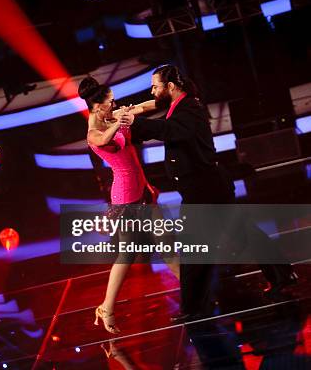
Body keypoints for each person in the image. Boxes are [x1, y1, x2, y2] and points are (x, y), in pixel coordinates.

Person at [120, 64, 297, 322]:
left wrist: (136, 121)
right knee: (241, 233)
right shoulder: (176, 108)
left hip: (205, 189)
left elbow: (170, 131)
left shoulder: (189, 107)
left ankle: (192, 307)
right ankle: (282, 273)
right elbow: (157, 121)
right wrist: (130, 118)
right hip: (204, 188)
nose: (153, 91)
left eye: (156, 86)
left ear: (171, 86)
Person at [78, 76, 179, 334]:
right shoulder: (94, 131)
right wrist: (119, 122)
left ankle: (192, 292)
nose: (114, 105)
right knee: (127, 253)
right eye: (110, 102)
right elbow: (101, 141)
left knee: (165, 242)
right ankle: (106, 307)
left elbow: (144, 108)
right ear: (98, 106)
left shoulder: (113, 116)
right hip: (125, 198)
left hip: (141, 190)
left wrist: (168, 98)